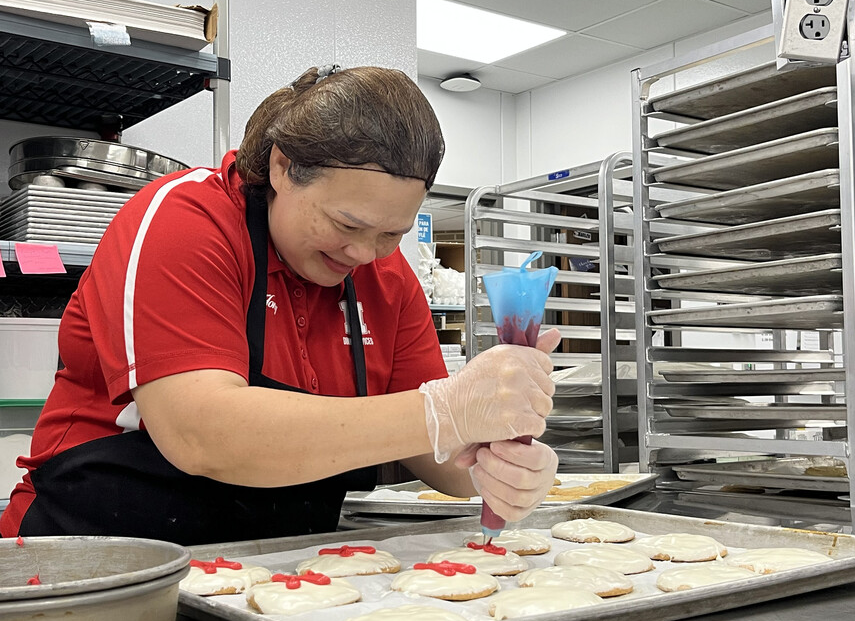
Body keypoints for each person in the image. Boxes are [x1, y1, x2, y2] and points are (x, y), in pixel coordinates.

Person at [0, 64, 559, 545]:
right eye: (347, 223)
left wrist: (496, 460)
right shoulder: (186, 221)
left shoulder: (387, 281)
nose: (365, 253)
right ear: (282, 168)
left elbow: (439, 457)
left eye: (393, 233)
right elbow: (201, 434)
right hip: (101, 553)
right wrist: (442, 410)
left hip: (269, 574)